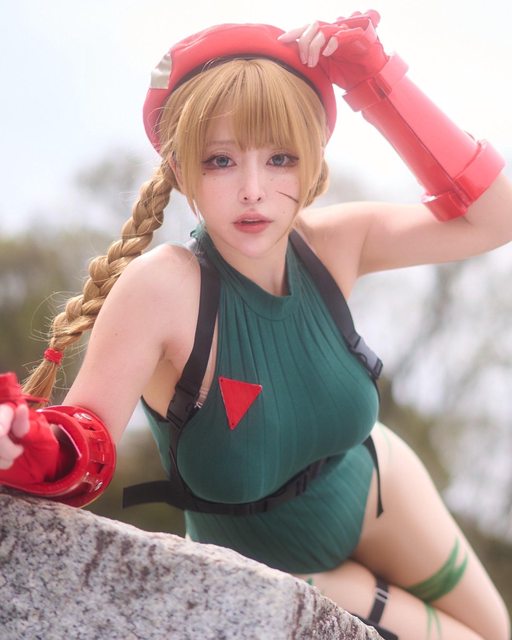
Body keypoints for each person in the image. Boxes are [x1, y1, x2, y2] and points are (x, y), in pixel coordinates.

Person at [0, 11, 511, 640]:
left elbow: (494, 218)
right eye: (220, 160)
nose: (252, 190)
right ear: (181, 168)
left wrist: (377, 83)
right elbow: (87, 441)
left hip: (381, 488)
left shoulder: (334, 243)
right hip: (275, 568)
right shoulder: (164, 287)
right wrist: (27, 448)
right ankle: (345, 590)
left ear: (312, 164)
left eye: (280, 159)